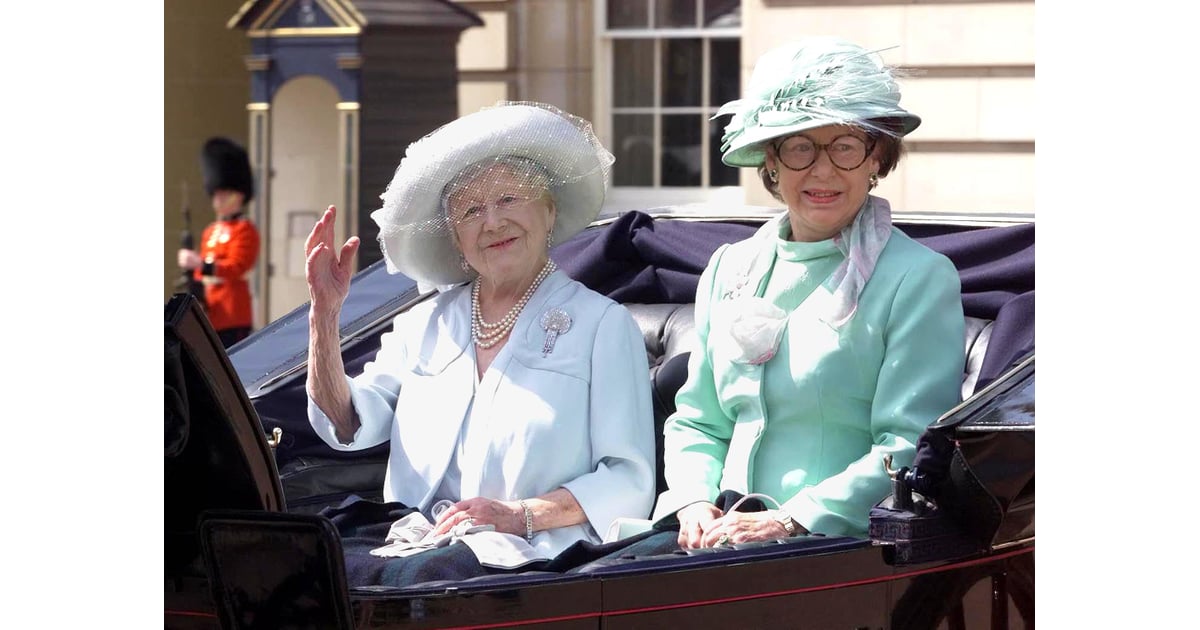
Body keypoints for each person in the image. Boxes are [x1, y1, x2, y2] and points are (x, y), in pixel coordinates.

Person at [304, 102, 656, 585]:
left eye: (509, 199)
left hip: (532, 559)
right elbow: (346, 424)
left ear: (549, 211)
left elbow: (628, 480)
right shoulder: (424, 323)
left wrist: (516, 515)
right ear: (456, 238)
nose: (492, 222)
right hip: (413, 543)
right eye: (471, 210)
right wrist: (324, 317)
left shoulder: (602, 325)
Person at [651, 37, 967, 548]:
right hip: (713, 539)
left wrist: (792, 519)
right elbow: (698, 421)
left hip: (834, 547)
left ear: (877, 159)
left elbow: (907, 444)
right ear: (771, 163)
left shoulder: (918, 277)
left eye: (845, 146)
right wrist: (691, 502)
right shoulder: (728, 268)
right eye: (800, 147)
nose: (822, 170)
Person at [177, 137, 260, 348]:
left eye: (224, 195)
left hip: (233, 314)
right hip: (209, 313)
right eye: (217, 195)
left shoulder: (245, 230)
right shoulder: (210, 231)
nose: (218, 200)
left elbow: (236, 266)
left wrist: (199, 264)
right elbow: (200, 274)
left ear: (239, 196)